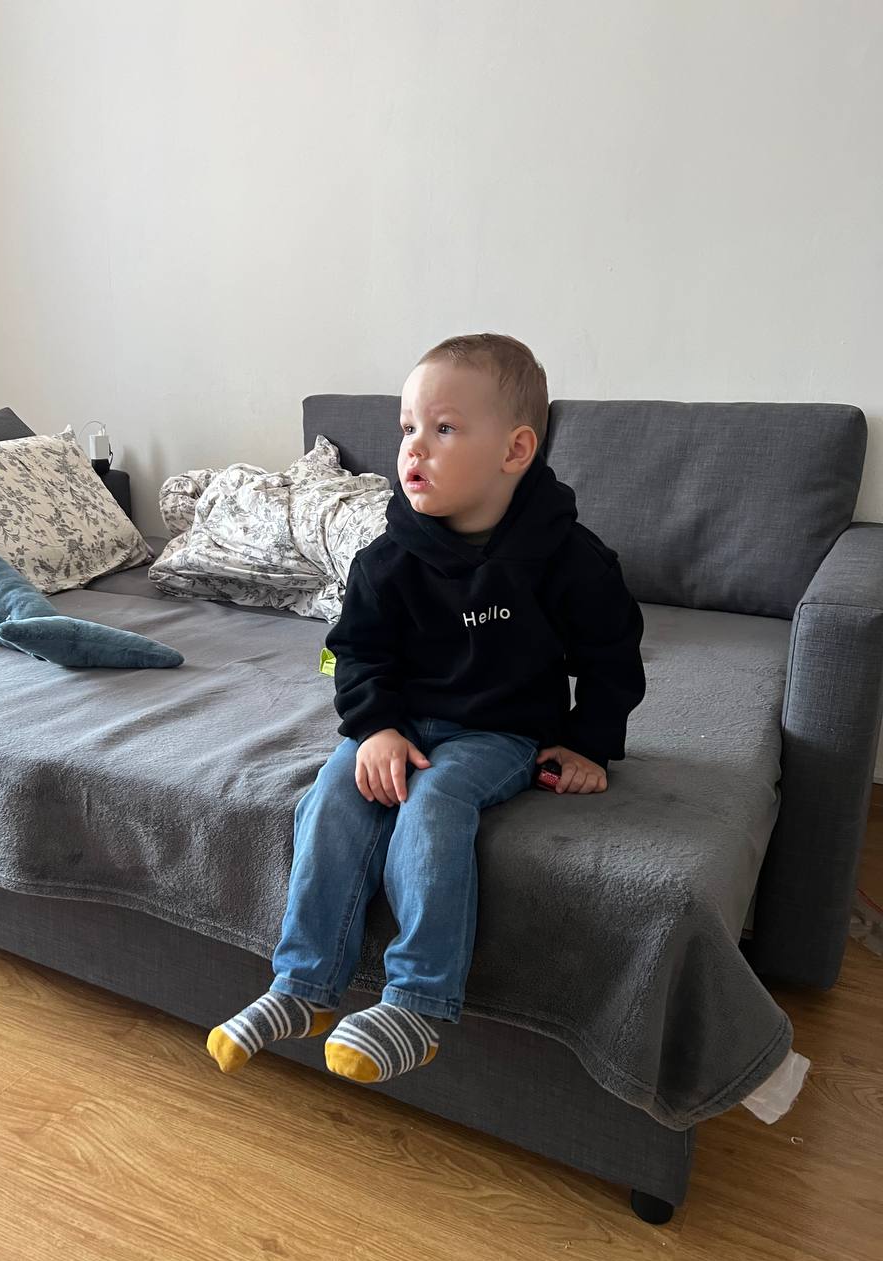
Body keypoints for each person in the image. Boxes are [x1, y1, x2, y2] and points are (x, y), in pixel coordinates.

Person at [207, 333, 646, 1084]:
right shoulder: (387, 559)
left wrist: (588, 743)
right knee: (332, 796)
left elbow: (612, 655)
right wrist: (375, 727)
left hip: (500, 731)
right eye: (408, 427)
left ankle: (418, 1002)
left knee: (435, 801)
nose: (414, 446)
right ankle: (302, 984)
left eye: (444, 429)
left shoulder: (571, 558)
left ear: (515, 451)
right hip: (401, 722)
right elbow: (357, 652)